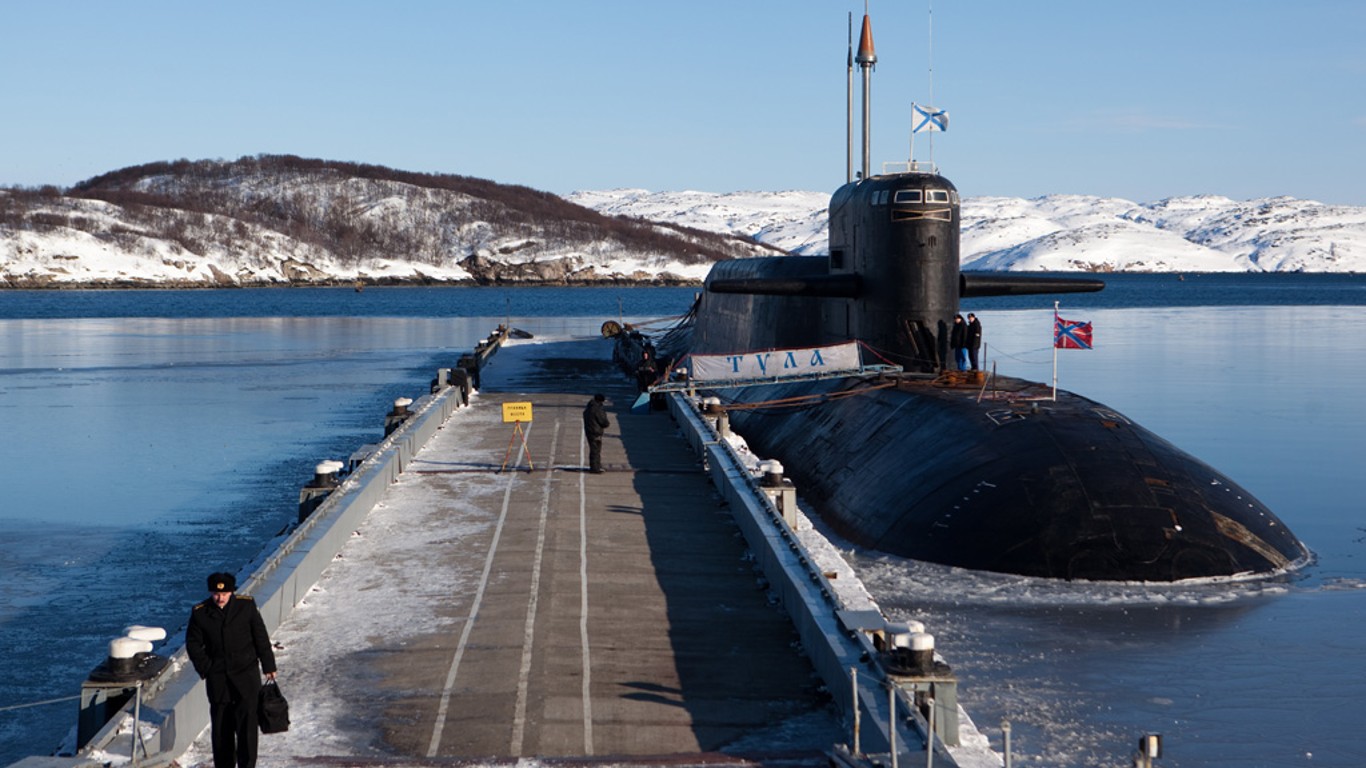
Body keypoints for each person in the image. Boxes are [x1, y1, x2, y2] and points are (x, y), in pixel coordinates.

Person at [186, 572, 278, 768]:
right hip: (218, 680)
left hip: (246, 677)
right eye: (216, 594)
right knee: (221, 729)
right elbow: (193, 645)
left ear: (232, 592)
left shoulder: (246, 606)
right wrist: (206, 669)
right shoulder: (200, 613)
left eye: (224, 594)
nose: (220, 598)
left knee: (247, 728)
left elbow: (260, 636)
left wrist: (268, 665)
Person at [583, 393, 610, 473]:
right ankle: (595, 468)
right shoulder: (597, 409)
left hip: (589, 431)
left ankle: (595, 466)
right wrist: (606, 423)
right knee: (596, 450)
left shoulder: (589, 407)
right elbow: (603, 421)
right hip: (596, 432)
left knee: (593, 449)